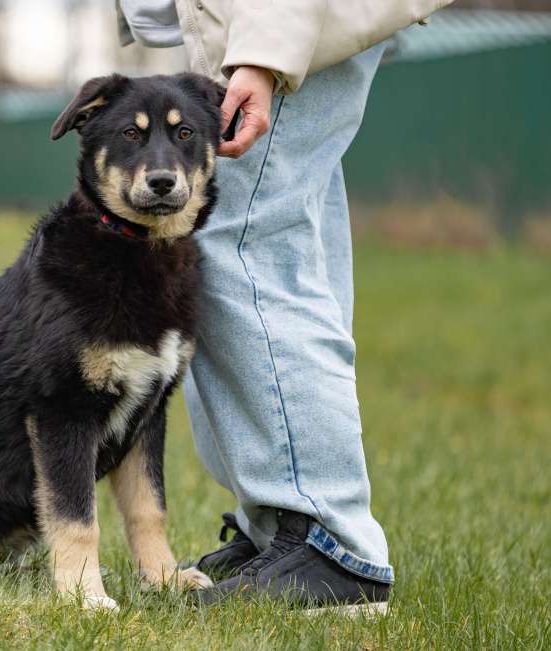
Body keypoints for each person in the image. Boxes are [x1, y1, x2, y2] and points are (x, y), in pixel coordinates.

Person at [115, 0, 452, 612]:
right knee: (284, 247)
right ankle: (280, 530)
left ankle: (328, 545)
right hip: (276, 27)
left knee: (238, 238)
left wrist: (265, 56)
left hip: (280, 25)